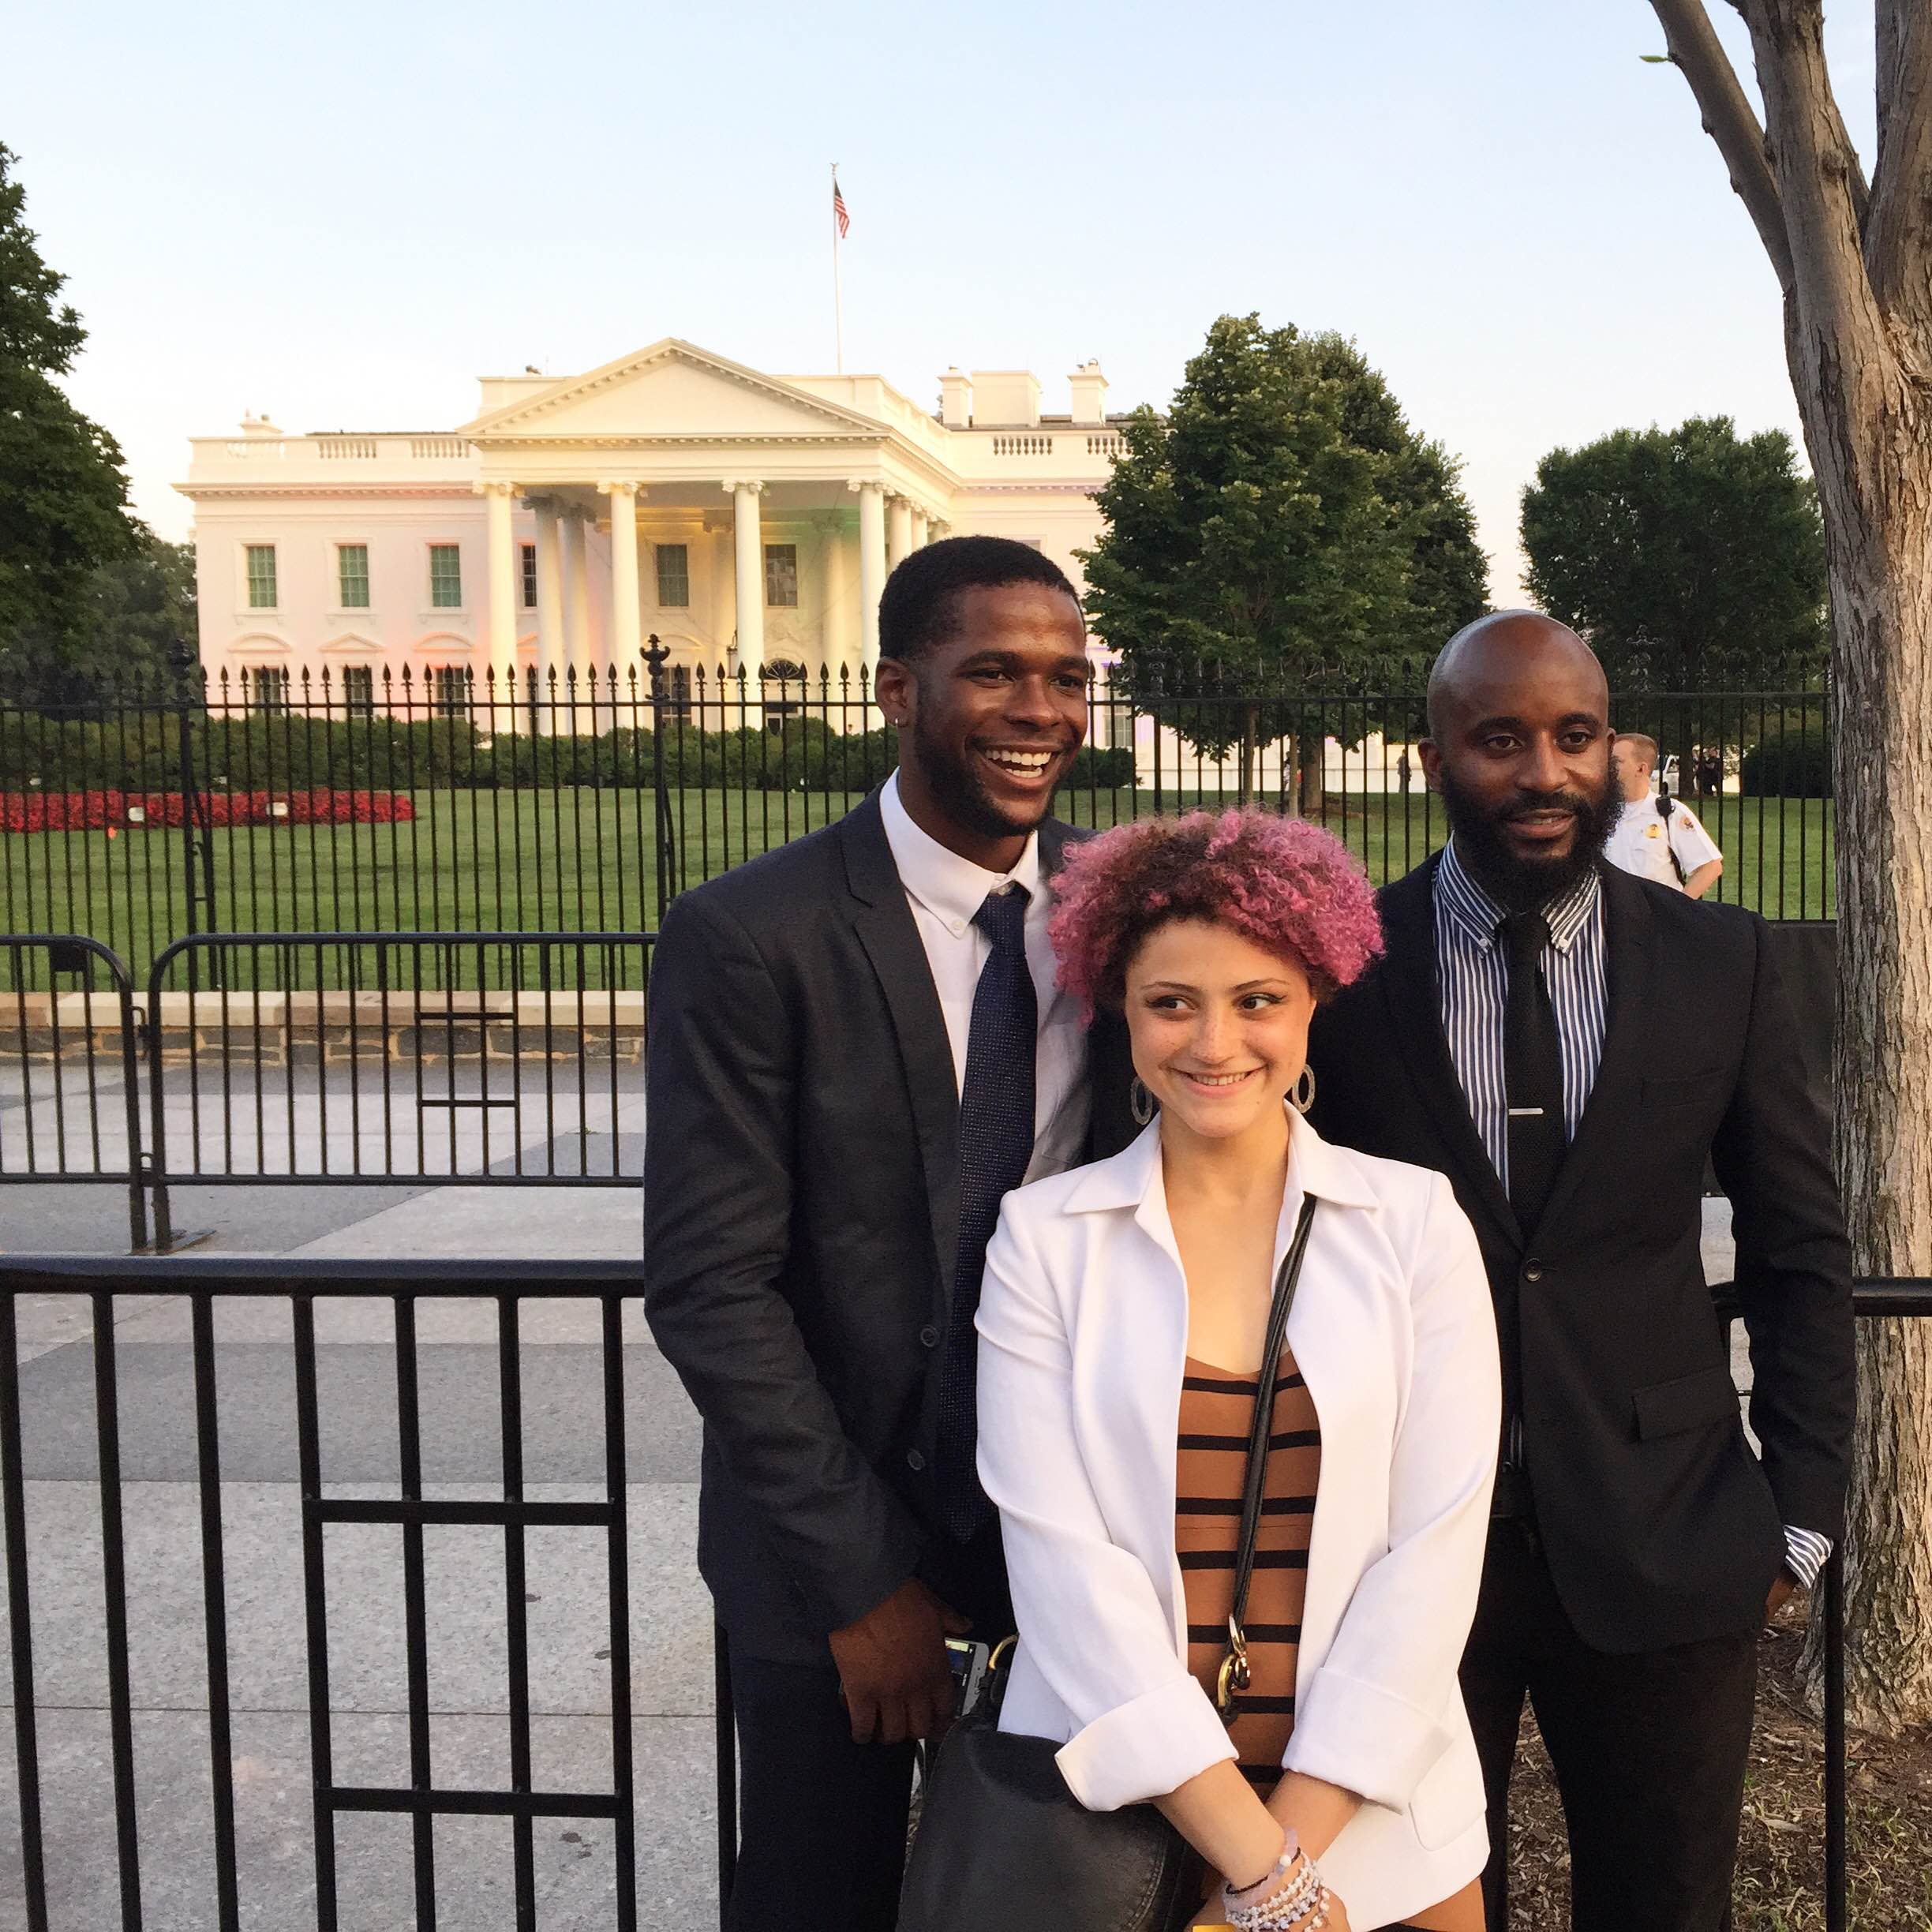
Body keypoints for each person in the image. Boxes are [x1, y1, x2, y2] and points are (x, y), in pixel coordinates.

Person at [1305, 612, 1855, 1932]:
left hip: (1669, 1536)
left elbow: (1797, 1247)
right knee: (1415, 1912)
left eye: (1572, 734)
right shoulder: (1333, 969)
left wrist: (1799, 1508)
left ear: (1610, 748)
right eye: (1498, 738)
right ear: (1431, 753)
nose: (1542, 770)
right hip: (1394, 1560)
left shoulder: (1718, 962)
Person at [642, 537, 1137, 1932]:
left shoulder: (1122, 905)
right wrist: (863, 1583)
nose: (1039, 709)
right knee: (819, 1896)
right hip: (826, 1546)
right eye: (992, 670)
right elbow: (709, 1284)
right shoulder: (753, 932)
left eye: (1063, 675)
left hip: (1064, 1525)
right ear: (894, 687)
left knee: (1063, 1896)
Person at [975, 809, 1500, 1932]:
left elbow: (1435, 1556)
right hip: (1108, 1829)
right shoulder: (1043, 1241)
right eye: (1173, 1002)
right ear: (1121, 1009)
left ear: (1316, 997)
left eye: (1257, 999)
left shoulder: (1413, 1225)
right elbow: (1063, 1573)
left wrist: (1278, 1874)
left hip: (1383, 1830)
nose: (1216, 1043)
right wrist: (1254, 1867)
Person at [1604, 732, 1724, 899]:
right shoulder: (1600, 813)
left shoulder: (1668, 812)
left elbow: (1710, 866)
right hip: (1611, 919)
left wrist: (1678, 910)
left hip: (1655, 920)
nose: (1608, 767)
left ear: (1641, 768)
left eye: (1616, 761)